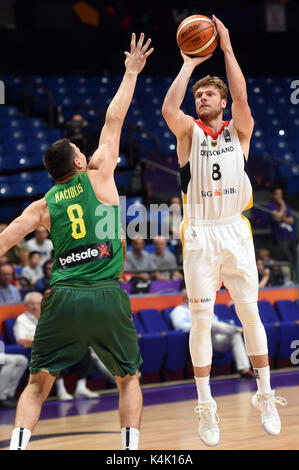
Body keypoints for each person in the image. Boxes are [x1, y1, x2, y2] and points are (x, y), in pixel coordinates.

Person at [0, 33, 153, 451]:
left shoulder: (41, 206)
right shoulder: (100, 174)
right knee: (128, 379)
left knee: (37, 384)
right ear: (80, 162)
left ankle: (16, 447)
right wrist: (130, 72)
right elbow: (114, 118)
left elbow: (4, 241)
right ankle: (129, 452)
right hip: (105, 293)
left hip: (63, 297)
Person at [162, 15, 286, 447]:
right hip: (200, 233)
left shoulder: (240, 129)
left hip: (234, 231)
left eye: (209, 93)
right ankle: (205, 406)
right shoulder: (187, 133)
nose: (202, 99)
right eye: (199, 95)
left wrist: (228, 49)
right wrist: (188, 64)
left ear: (222, 101)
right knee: (200, 319)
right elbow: (167, 109)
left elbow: (241, 93)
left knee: (251, 312)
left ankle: (266, 395)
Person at [13, 292, 108, 400]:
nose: (35, 307)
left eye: (38, 304)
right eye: (32, 304)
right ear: (26, 305)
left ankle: (81, 388)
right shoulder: (22, 320)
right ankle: (61, 390)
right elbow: (21, 341)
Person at [170, 290, 254, 378]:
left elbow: (216, 321)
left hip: (213, 337)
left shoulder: (203, 309)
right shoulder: (179, 311)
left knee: (234, 336)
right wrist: (199, 326)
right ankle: (240, 330)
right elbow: (180, 326)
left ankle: (244, 370)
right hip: (196, 339)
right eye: (191, 298)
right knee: (208, 324)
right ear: (185, 299)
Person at [266, 186, 297, 270]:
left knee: (294, 259)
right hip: (280, 238)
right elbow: (277, 217)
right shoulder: (270, 206)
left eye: (280, 194)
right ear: (272, 195)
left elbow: (291, 220)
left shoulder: (285, 205)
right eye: (277, 194)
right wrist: (282, 205)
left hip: (290, 236)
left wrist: (282, 217)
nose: (279, 196)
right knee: (286, 259)